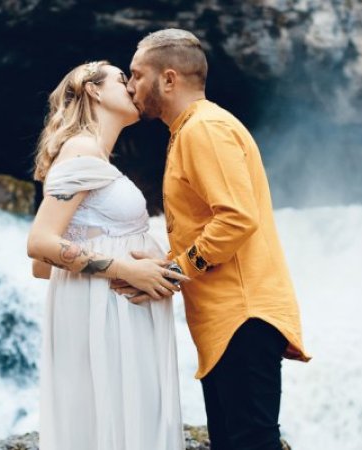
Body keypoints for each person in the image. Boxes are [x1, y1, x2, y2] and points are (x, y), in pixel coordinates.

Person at [118, 29, 312, 450]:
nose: (129, 86)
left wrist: (175, 269)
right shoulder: (193, 129)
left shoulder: (204, 129)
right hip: (228, 322)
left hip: (242, 316)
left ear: (168, 79)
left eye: (136, 75)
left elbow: (237, 218)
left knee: (250, 442)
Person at [26, 60, 188, 450]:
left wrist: (143, 265)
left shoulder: (94, 156)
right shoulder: (81, 150)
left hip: (107, 308)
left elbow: (43, 270)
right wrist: (128, 269)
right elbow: (39, 245)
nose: (133, 87)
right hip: (106, 314)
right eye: (122, 79)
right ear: (93, 90)